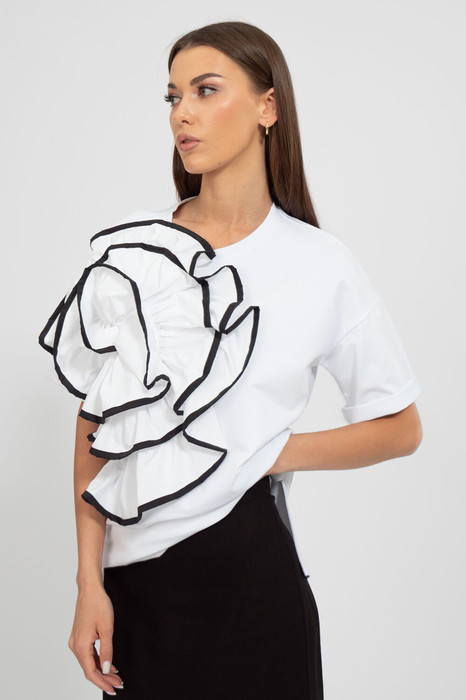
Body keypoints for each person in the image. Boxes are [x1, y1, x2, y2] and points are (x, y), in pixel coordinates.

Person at [38, 20, 423, 699]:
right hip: (137, 592)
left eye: (206, 90)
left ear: (267, 107)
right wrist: (87, 583)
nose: (181, 113)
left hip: (254, 579)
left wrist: (268, 452)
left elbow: (400, 427)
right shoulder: (136, 257)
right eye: (172, 96)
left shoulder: (321, 265)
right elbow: (94, 431)